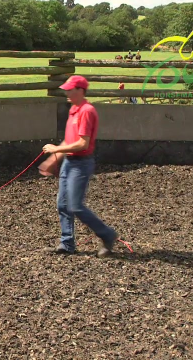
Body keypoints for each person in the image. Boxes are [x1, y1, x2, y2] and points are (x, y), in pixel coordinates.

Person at [42, 75, 121, 258]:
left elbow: (82, 144)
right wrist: (54, 159)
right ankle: (67, 243)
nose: (66, 92)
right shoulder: (74, 109)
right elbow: (70, 140)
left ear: (80, 90)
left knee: (75, 206)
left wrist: (56, 149)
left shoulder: (86, 111)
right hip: (69, 162)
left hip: (80, 163)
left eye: (70, 89)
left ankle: (107, 234)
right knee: (62, 204)